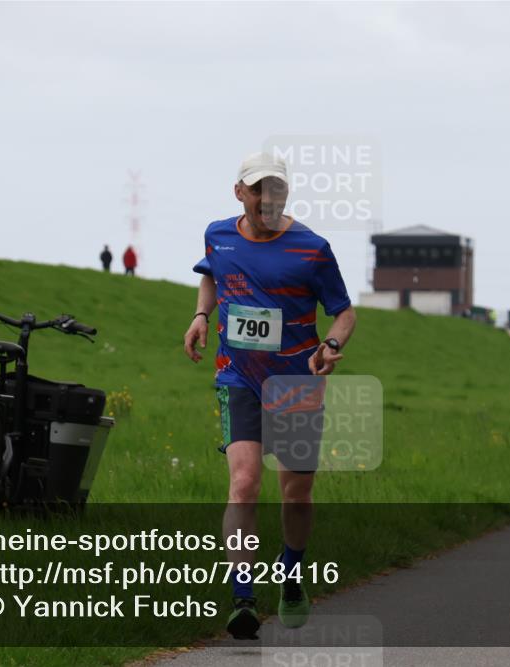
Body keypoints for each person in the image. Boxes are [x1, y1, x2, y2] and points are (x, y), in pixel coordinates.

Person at [183, 152, 356, 639]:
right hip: (238, 377)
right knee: (244, 483)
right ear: (240, 192)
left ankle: (292, 571)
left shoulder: (312, 249)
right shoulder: (218, 234)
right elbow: (212, 273)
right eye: (259, 189)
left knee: (296, 494)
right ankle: (242, 598)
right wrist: (201, 315)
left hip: (298, 383)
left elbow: (344, 313)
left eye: (277, 190)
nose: (268, 199)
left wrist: (332, 344)